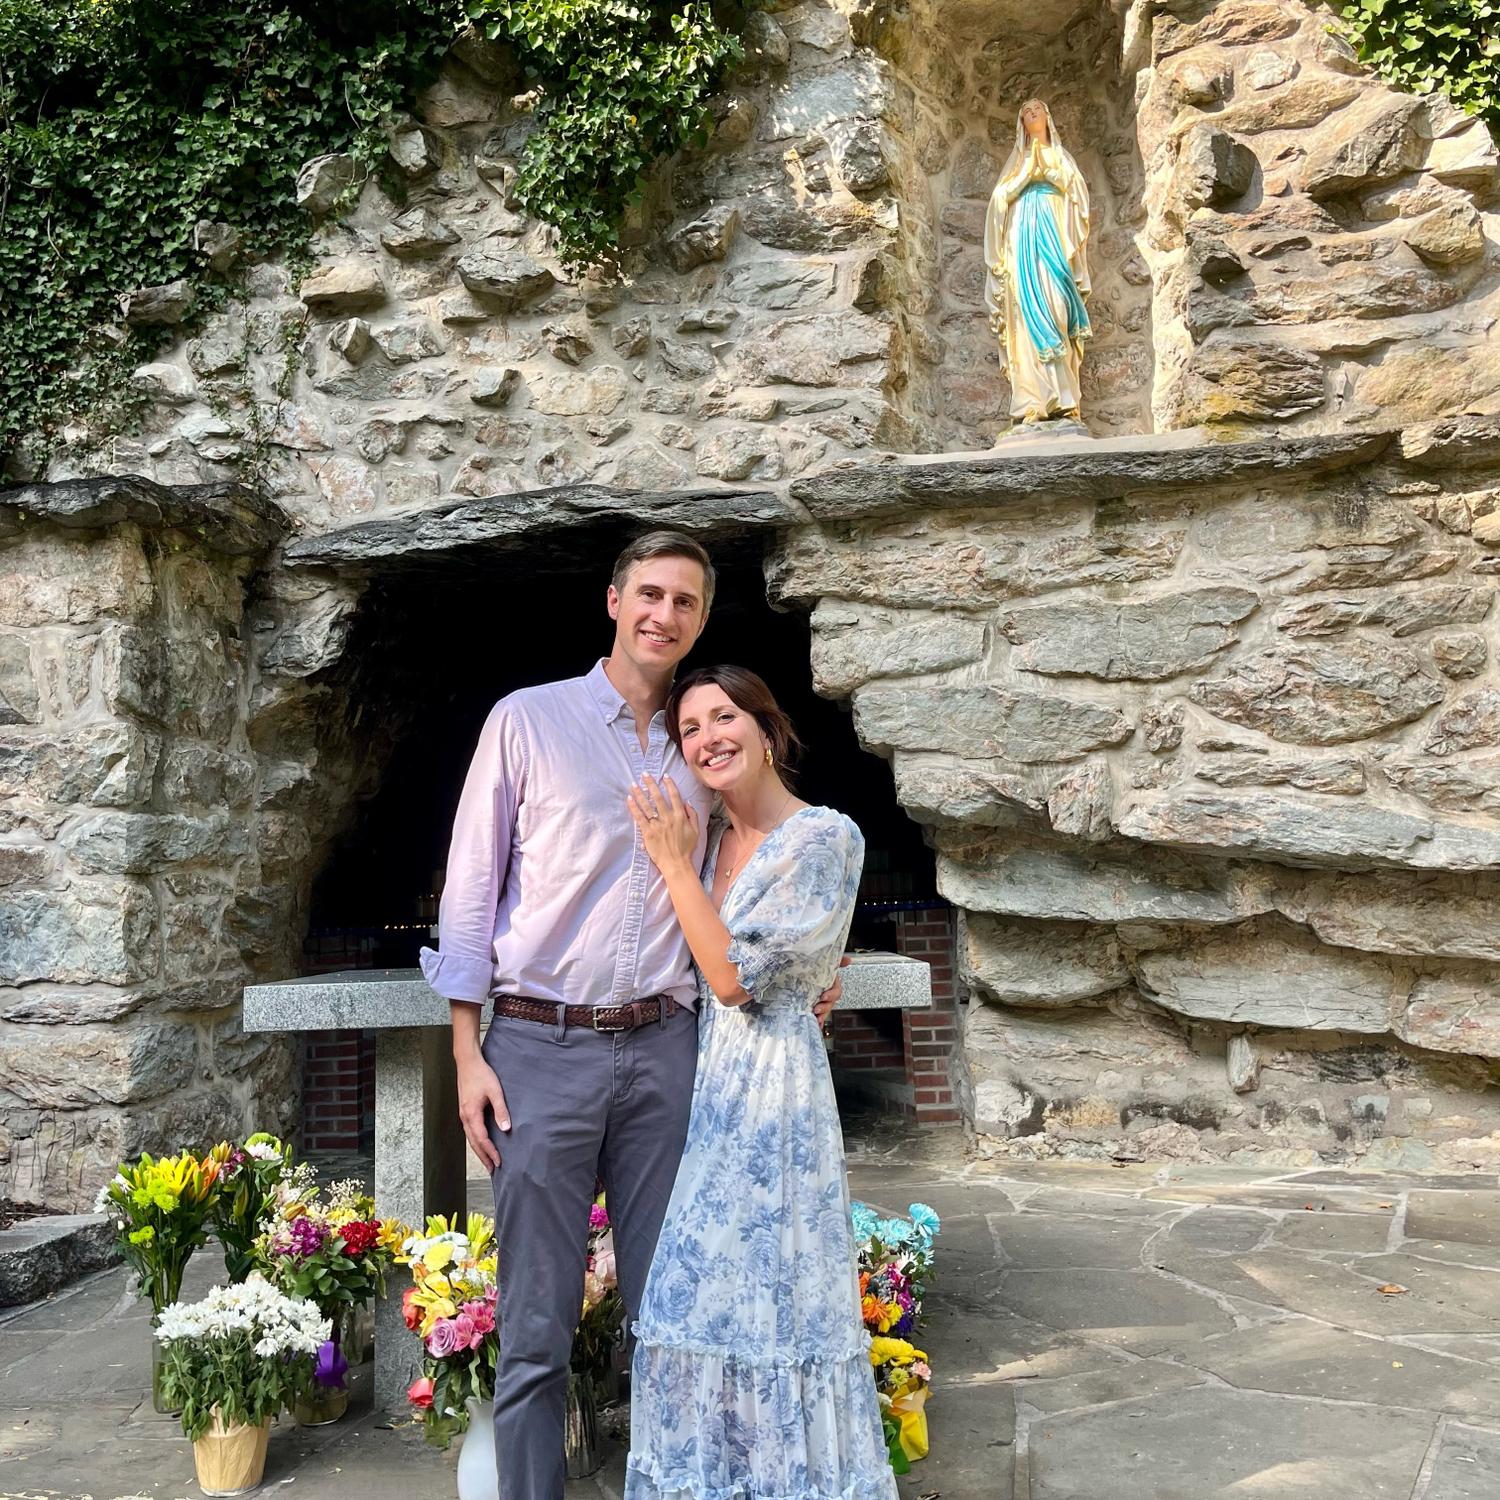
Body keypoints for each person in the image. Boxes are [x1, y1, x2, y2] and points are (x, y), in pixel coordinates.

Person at [419, 534, 840, 1500]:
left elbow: (761, 871)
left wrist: (814, 961)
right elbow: (472, 887)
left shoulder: (708, 745)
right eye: (649, 593)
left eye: (686, 602)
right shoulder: (527, 720)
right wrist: (466, 1052)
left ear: (699, 621)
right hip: (538, 1045)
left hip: (668, 1050)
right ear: (613, 601)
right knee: (534, 1324)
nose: (665, 614)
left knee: (673, 1311)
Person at [623, 665, 897, 1500]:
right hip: (702, 1078)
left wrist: (669, 865)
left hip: (774, 1090)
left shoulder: (826, 837)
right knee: (695, 1299)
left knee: (773, 1300)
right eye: (691, 728)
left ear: (768, 729)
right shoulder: (707, 838)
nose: (708, 737)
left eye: (724, 716)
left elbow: (739, 977)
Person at [984, 97, 1092, 426]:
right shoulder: (1016, 162)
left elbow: (1078, 198)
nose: (1032, 115)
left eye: (1037, 110)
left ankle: (1064, 397)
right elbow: (998, 202)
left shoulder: (1061, 156)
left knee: (1057, 304)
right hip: (1021, 241)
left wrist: (1049, 174)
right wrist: (1023, 180)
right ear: (1021, 122)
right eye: (1026, 112)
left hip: (1053, 237)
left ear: (1048, 117)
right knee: (1021, 315)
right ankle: (1031, 400)